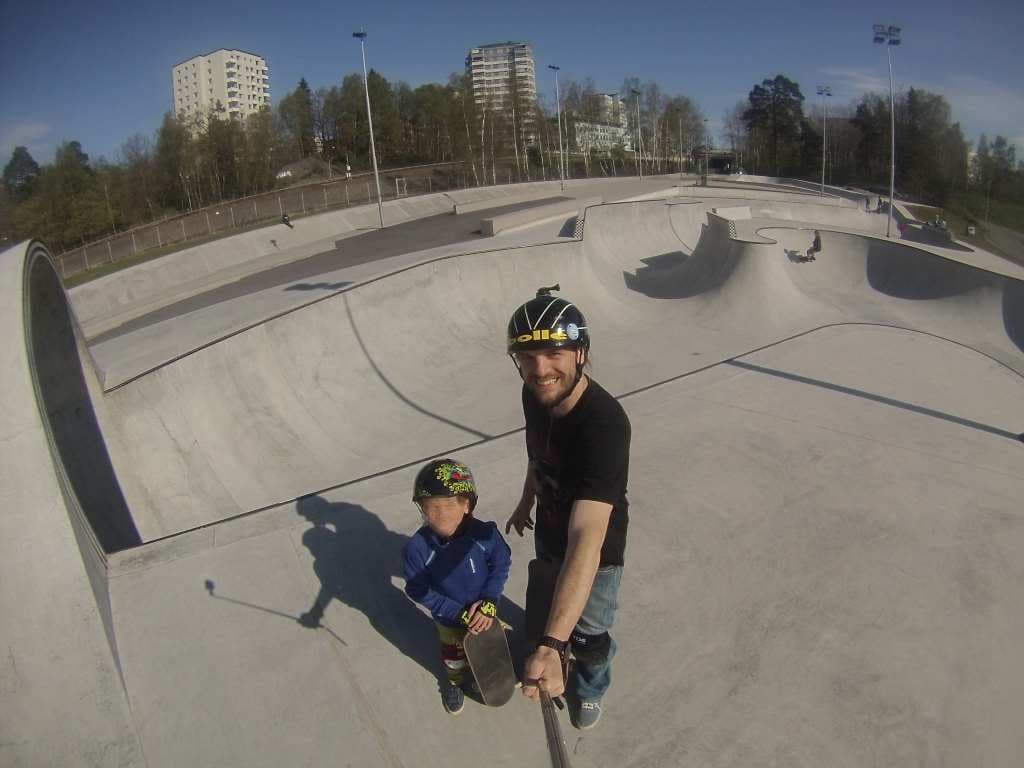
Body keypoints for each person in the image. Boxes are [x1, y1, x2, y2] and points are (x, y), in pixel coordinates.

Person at [505, 285, 631, 731]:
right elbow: (537, 454)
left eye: (554, 353)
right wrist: (526, 499)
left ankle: (592, 685)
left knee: (590, 634)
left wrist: (554, 645)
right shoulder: (534, 394)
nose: (539, 370)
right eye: (527, 357)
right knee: (549, 594)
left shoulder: (606, 426)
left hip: (596, 554)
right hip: (549, 526)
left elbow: (587, 538)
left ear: (581, 353)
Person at [402, 458, 512, 715]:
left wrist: (489, 599)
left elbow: (501, 562)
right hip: (448, 619)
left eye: (448, 505)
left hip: (486, 609)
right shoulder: (417, 550)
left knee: (489, 644)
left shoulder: (484, 535)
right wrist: (456, 612)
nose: (440, 514)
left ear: (467, 505)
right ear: (421, 508)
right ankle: (456, 682)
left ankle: (493, 664)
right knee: (454, 657)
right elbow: (417, 589)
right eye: (432, 507)